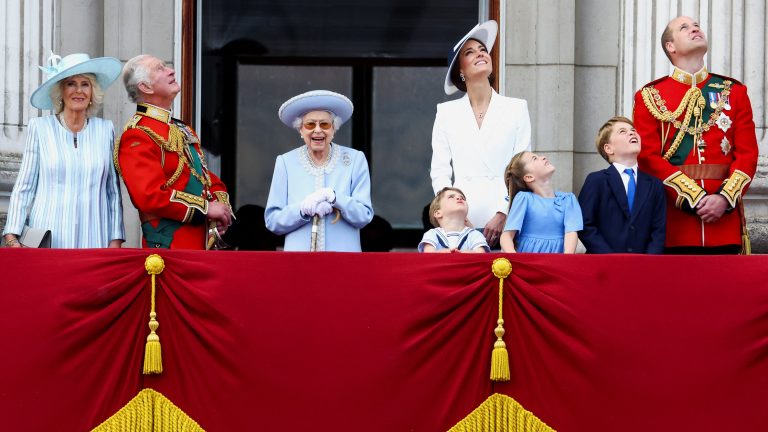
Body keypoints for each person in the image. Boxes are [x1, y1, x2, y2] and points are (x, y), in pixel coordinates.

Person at [633, 16, 758, 254]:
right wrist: (694, 197)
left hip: (724, 221)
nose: (695, 29)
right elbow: (647, 157)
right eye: (684, 27)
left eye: (697, 25)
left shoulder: (734, 92)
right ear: (671, 47)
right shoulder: (649, 96)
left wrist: (723, 198)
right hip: (675, 223)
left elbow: (748, 155)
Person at [2, 52, 124, 248]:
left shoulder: (105, 130)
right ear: (61, 91)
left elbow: (113, 191)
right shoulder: (40, 128)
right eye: (71, 84)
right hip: (47, 239)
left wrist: (115, 240)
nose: (79, 90)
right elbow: (24, 186)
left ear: (93, 92)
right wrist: (12, 236)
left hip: (94, 238)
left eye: (85, 84)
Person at [430, 20, 531, 249]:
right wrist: (452, 215)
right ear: (461, 71)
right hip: (461, 218)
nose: (480, 54)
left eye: (483, 50)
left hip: (508, 218)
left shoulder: (516, 107)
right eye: (470, 52)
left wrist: (503, 212)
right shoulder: (446, 113)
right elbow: (440, 170)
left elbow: (521, 167)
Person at [117, 54, 232, 249]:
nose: (171, 71)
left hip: (201, 246)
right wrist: (206, 209)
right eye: (160, 68)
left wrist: (221, 208)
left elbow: (204, 177)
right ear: (145, 87)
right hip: (169, 249)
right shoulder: (137, 135)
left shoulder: (180, 128)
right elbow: (150, 196)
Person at [265, 90, 373, 251]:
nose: (317, 130)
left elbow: (364, 216)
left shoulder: (355, 160)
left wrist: (336, 198)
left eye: (324, 124)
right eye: (310, 124)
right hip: (299, 262)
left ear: (334, 129)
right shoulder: (285, 162)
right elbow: (273, 222)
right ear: (300, 130)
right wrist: (301, 210)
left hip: (344, 262)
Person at [578, 117, 666, 254]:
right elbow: (585, 224)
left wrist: (649, 261)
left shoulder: (654, 185)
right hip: (605, 265)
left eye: (633, 130)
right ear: (608, 148)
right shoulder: (597, 180)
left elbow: (658, 230)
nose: (631, 133)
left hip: (644, 266)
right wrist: (611, 258)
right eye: (622, 131)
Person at [500, 152, 582, 253]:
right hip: (529, 260)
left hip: (557, 261)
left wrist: (566, 261)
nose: (543, 157)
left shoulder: (568, 199)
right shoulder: (524, 198)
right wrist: (514, 257)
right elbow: (507, 235)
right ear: (529, 177)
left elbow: (571, 233)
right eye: (534, 158)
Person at [419, 187, 489, 253]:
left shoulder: (475, 234)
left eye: (462, 198)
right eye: (451, 197)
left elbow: (481, 255)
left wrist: (471, 254)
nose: (459, 198)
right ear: (438, 213)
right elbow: (428, 255)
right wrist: (439, 253)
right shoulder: (432, 234)